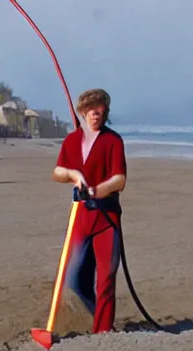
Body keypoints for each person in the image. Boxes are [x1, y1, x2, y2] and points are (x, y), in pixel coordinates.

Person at [52, 88, 127, 334]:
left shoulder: (113, 140)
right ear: (83, 112)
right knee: (75, 279)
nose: (97, 112)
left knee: (105, 280)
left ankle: (102, 332)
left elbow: (119, 180)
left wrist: (94, 191)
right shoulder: (72, 141)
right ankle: (101, 317)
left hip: (107, 218)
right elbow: (57, 172)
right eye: (92, 108)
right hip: (81, 219)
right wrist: (73, 174)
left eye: (101, 108)